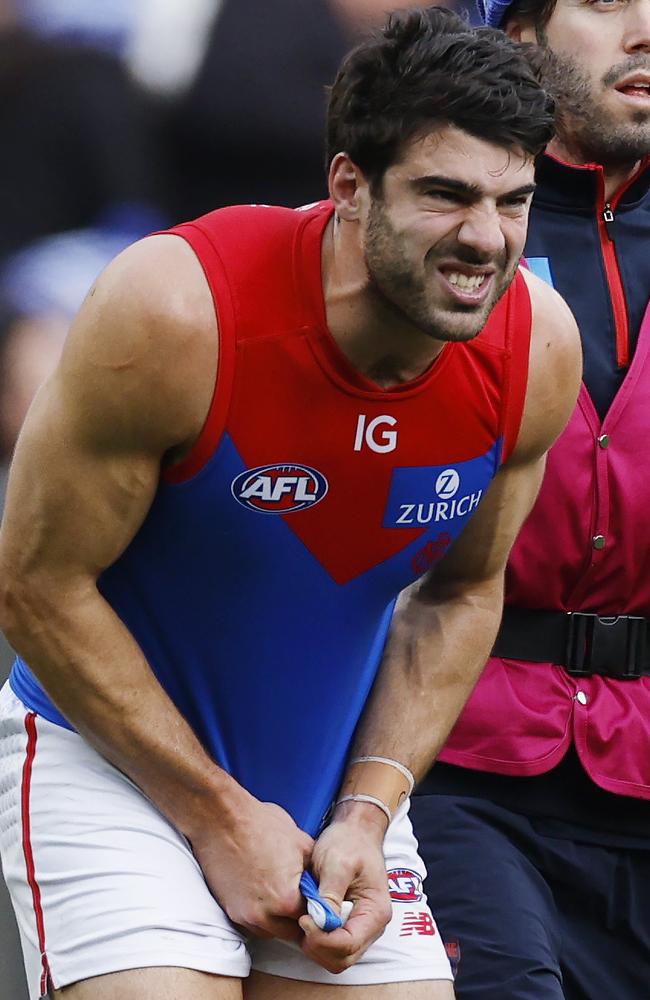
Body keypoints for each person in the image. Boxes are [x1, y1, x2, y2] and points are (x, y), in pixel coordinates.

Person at [0, 8, 580, 1000]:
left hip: (328, 796)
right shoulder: (179, 309)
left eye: (509, 200)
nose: (482, 239)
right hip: (108, 770)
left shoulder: (533, 344)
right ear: (349, 186)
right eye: (444, 195)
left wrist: (364, 810)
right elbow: (35, 581)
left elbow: (457, 594)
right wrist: (217, 814)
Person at [411, 1, 650, 998]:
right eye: (605, 1)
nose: (645, 31)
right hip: (456, 757)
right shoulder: (427, 225)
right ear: (513, 33)